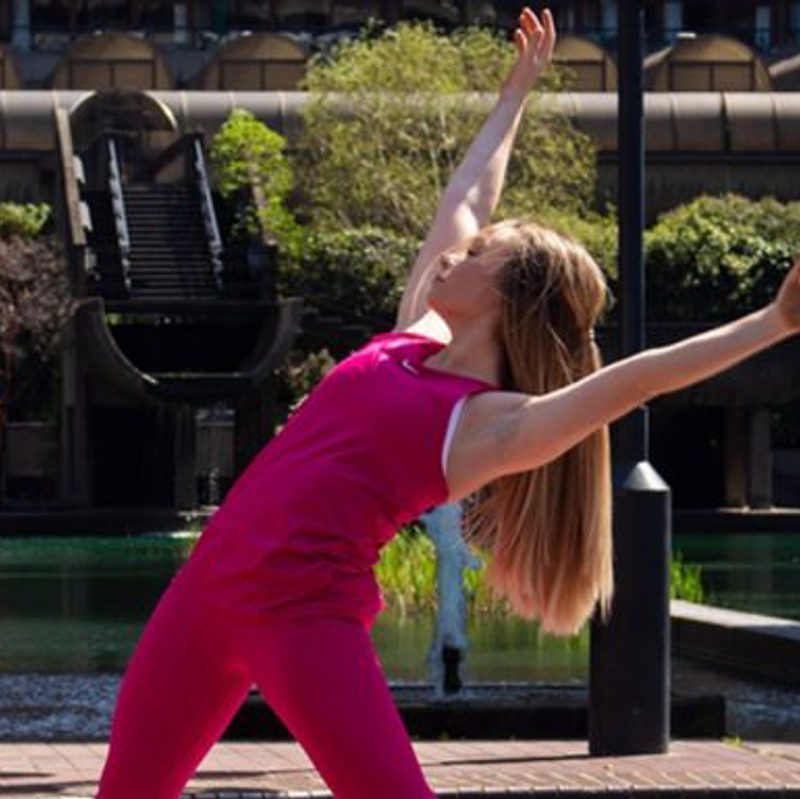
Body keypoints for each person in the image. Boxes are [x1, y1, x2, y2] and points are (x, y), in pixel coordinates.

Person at [95, 8, 800, 799]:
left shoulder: (488, 425)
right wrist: (514, 97)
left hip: (303, 616)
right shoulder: (414, 336)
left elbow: (637, 379)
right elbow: (465, 198)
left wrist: (773, 322)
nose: (452, 252)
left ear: (504, 297)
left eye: (476, 255)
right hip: (206, 593)